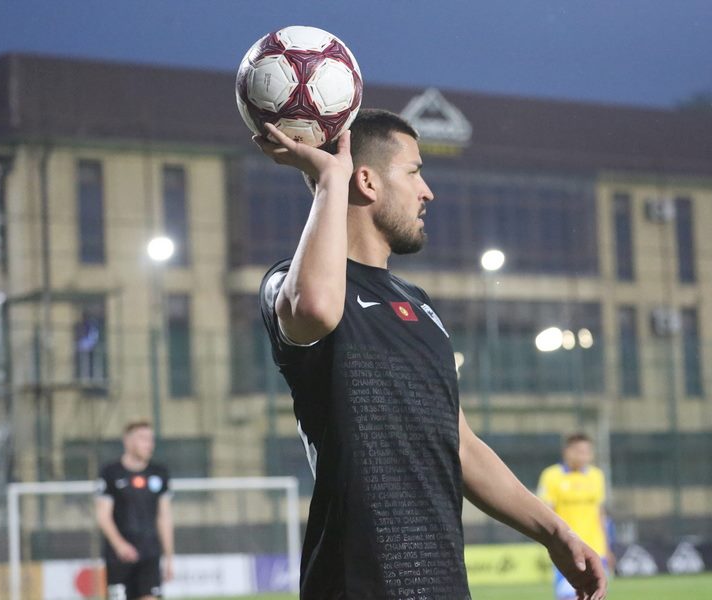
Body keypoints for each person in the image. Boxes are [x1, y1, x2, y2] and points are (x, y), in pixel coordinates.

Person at [256, 109, 607, 600]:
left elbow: (460, 446)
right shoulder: (287, 283)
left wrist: (555, 532)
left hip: (441, 583)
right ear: (367, 182)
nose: (428, 192)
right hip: (355, 586)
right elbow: (314, 307)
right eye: (414, 172)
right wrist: (330, 181)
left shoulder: (420, 305)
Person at [95, 421, 174, 600]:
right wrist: (120, 545)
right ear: (128, 441)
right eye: (143, 439)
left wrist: (169, 557)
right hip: (118, 557)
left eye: (151, 439)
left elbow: (164, 517)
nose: (149, 444)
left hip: (150, 553)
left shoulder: (159, 472)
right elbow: (103, 515)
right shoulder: (110, 472)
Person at [537, 433, 616, 600]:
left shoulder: (596, 476)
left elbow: (600, 514)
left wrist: (607, 548)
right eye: (580, 451)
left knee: (596, 595)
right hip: (567, 549)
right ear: (567, 452)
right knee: (569, 596)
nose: (584, 456)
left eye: (588, 452)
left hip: (596, 548)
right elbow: (547, 513)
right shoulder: (551, 476)